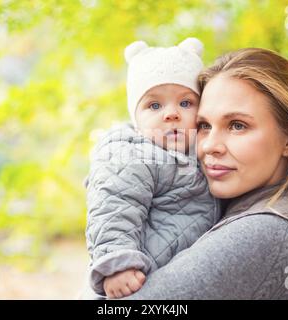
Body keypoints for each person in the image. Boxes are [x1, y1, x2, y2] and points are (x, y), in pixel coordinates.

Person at [121, 48, 288, 300]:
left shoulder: (264, 233)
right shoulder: (247, 211)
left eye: (237, 126)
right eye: (204, 126)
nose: (210, 145)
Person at [83, 38, 220, 299]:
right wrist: (116, 262)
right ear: (137, 120)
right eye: (154, 105)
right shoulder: (131, 154)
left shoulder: (201, 154)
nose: (171, 113)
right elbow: (113, 207)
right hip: (132, 280)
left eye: (186, 103)